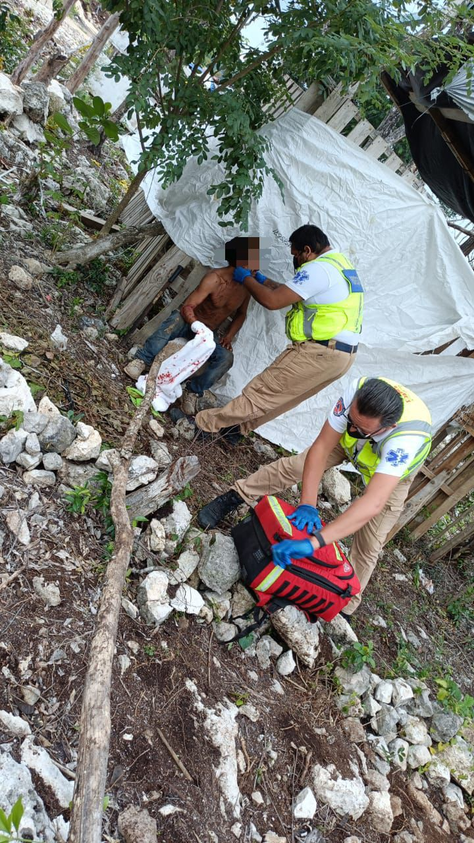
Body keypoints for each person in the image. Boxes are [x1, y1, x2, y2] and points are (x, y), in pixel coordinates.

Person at [198, 377, 432, 616]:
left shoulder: (404, 442)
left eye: (360, 428)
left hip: (392, 475)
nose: (351, 429)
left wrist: (314, 543)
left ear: (387, 427)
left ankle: (343, 602)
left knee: (370, 541)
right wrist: (307, 503)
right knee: (297, 466)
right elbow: (320, 448)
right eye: (350, 420)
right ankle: (235, 496)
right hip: (352, 445)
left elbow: (373, 502)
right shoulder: (357, 392)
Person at [194, 224, 363, 444]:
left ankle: (204, 424)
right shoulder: (342, 265)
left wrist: (245, 278)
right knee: (284, 399)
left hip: (319, 351)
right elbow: (292, 293)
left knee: (265, 390)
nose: (297, 262)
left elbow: (272, 301)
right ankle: (235, 431)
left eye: (296, 255)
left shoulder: (318, 269)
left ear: (307, 250)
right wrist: (263, 281)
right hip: (342, 356)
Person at [123, 237, 255, 396]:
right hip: (188, 322)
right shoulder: (215, 278)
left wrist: (229, 336)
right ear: (242, 261)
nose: (258, 266)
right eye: (255, 259)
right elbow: (187, 307)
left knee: (226, 358)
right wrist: (195, 324)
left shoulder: (247, 287)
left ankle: (192, 392)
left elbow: (241, 314)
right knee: (174, 320)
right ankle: (141, 360)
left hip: (208, 334)